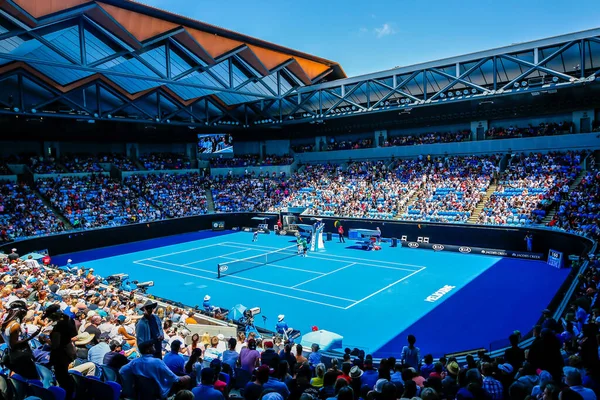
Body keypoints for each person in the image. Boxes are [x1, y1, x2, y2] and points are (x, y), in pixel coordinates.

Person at [120, 341, 190, 398]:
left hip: (142, 392)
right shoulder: (157, 361)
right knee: (188, 378)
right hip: (159, 391)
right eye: (152, 346)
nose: (154, 347)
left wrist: (132, 381)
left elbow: (122, 371)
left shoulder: (134, 362)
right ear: (148, 350)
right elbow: (173, 378)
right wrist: (184, 378)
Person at [44, 304, 78, 399]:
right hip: (68, 351)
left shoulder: (58, 326)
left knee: (63, 378)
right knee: (65, 377)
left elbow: (55, 345)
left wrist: (45, 339)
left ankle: (65, 396)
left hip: (60, 355)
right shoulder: (68, 320)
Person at [0, 300, 40, 379]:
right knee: (33, 378)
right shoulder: (15, 325)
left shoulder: (6, 324)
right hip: (20, 357)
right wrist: (31, 336)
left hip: (12, 355)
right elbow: (14, 343)